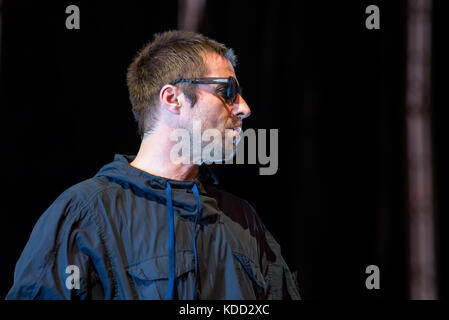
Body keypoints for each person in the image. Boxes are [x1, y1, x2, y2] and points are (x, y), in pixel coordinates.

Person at [6, 30, 300, 300]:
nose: (244, 108)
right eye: (227, 91)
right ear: (173, 98)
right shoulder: (85, 214)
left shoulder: (243, 219)